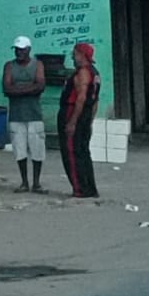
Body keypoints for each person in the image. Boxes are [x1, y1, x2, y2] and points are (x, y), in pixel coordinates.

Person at [2, 36, 48, 193]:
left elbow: (41, 85)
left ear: (28, 49)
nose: (18, 52)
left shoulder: (38, 64)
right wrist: (30, 88)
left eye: (21, 49)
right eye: (16, 49)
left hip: (34, 114)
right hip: (16, 115)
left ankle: (36, 182)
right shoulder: (9, 66)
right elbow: (7, 89)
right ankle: (24, 182)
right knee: (19, 151)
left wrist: (18, 89)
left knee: (37, 150)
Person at [59, 42, 101, 199]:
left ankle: (80, 188)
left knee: (72, 152)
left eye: (75, 54)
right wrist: (89, 120)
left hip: (73, 112)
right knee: (83, 152)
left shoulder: (83, 73)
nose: (72, 56)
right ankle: (89, 187)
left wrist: (72, 122)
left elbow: (81, 98)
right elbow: (95, 101)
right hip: (86, 114)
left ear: (82, 55)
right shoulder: (95, 73)